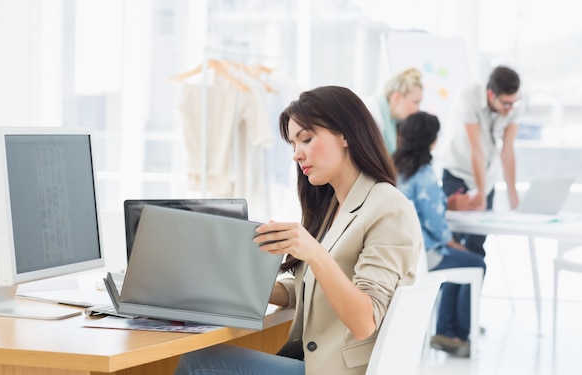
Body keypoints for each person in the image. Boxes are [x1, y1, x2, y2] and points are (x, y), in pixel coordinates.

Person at [173, 86, 423, 375]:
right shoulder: (334, 205)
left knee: (198, 363)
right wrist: (239, 283)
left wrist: (314, 252)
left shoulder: (388, 207)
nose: (296, 155)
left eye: (306, 139)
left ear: (346, 134)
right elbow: (313, 285)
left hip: (339, 370)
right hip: (312, 361)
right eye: (293, 144)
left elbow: (364, 322)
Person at [394, 111, 486, 358]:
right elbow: (436, 225)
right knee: (475, 261)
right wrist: (454, 243)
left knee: (461, 258)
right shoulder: (424, 174)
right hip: (425, 257)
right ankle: (455, 332)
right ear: (432, 141)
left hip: (403, 254)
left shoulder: (395, 171)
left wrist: (444, 202)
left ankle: (448, 329)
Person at [440, 65, 522, 257]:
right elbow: (476, 149)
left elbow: (507, 151)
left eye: (514, 103)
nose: (510, 109)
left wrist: (513, 196)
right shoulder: (469, 97)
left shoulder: (515, 104)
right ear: (491, 94)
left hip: (488, 177)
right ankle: (447, 288)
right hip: (458, 172)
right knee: (453, 241)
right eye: (506, 104)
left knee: (477, 246)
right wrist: (481, 193)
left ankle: (472, 287)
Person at [368, 67, 423, 154]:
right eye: (415, 102)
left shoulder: (391, 120)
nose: (417, 110)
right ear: (396, 98)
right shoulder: (373, 114)